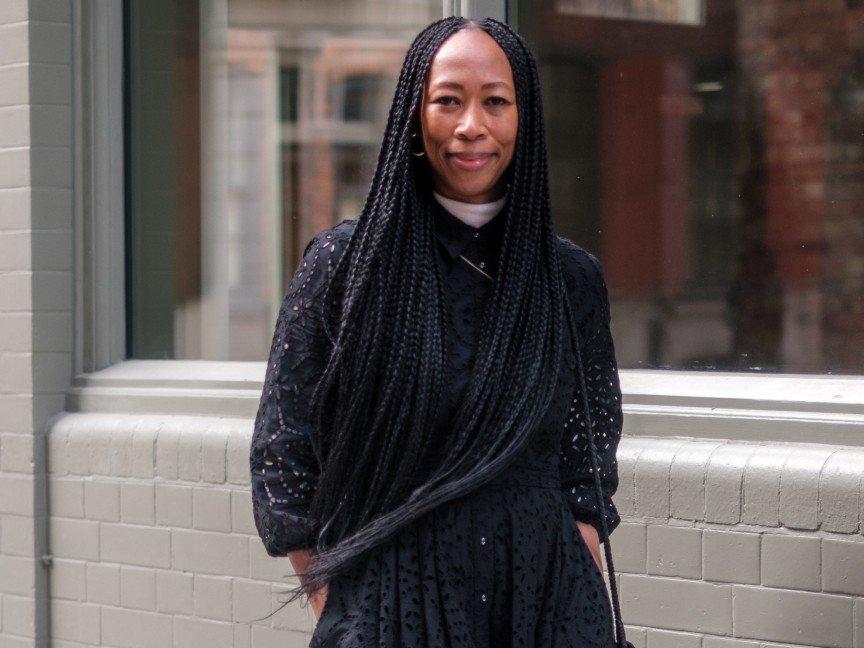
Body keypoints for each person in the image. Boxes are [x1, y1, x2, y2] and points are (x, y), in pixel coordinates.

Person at [249, 15, 624, 647]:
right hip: (394, 597)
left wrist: (576, 560)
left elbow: (587, 458)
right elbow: (285, 450)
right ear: (414, 116)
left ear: (523, 118)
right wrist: (336, 598)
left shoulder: (570, 277)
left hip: (545, 601)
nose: (471, 126)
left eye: (496, 103)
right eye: (448, 100)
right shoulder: (344, 266)